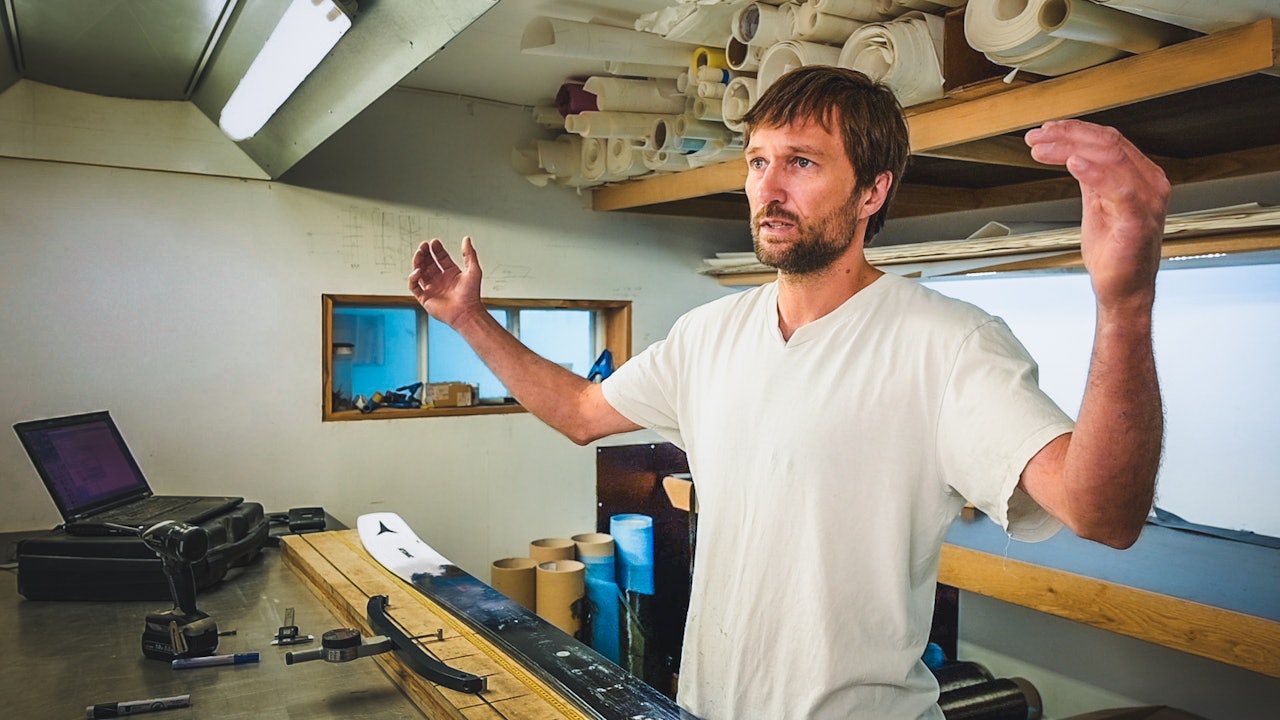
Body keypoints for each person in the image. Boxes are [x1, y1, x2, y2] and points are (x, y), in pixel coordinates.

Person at [409, 66, 1166, 720]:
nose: (767, 189)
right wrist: (469, 319)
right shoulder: (709, 335)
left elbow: (1102, 513)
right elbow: (579, 413)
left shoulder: (948, 343)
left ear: (872, 191)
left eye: (801, 162)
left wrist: (1124, 303)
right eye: (757, 161)